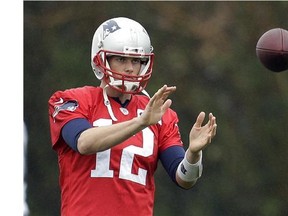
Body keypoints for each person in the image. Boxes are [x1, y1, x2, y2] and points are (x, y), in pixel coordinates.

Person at [48, 17, 217, 216]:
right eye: (121, 59)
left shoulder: (160, 114)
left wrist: (193, 154)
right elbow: (84, 143)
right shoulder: (71, 99)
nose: (130, 68)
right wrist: (140, 122)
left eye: (136, 60)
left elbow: (184, 178)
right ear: (101, 59)